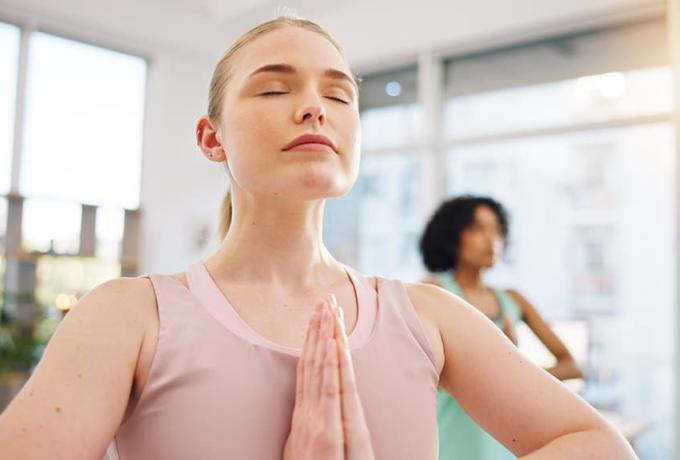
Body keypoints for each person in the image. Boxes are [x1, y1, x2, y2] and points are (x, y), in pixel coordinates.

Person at [0, 16, 636, 460]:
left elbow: (601, 445)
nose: (315, 108)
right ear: (210, 137)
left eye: (339, 95)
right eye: (276, 88)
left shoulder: (428, 316)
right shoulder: (128, 316)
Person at [420, 195, 585, 459]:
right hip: (450, 444)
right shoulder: (434, 293)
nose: (491, 239)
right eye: (477, 228)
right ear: (452, 237)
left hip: (505, 446)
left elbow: (572, 365)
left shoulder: (513, 300)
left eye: (496, 229)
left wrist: (514, 370)